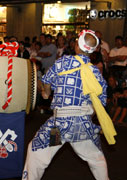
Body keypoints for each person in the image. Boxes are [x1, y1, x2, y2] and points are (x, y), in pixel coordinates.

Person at [22, 29, 116, 180]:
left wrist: (46, 93)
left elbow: (46, 81)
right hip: (82, 127)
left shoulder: (63, 62)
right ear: (92, 52)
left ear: (77, 46)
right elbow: (100, 103)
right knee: (96, 159)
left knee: (37, 154)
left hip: (58, 125)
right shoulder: (96, 72)